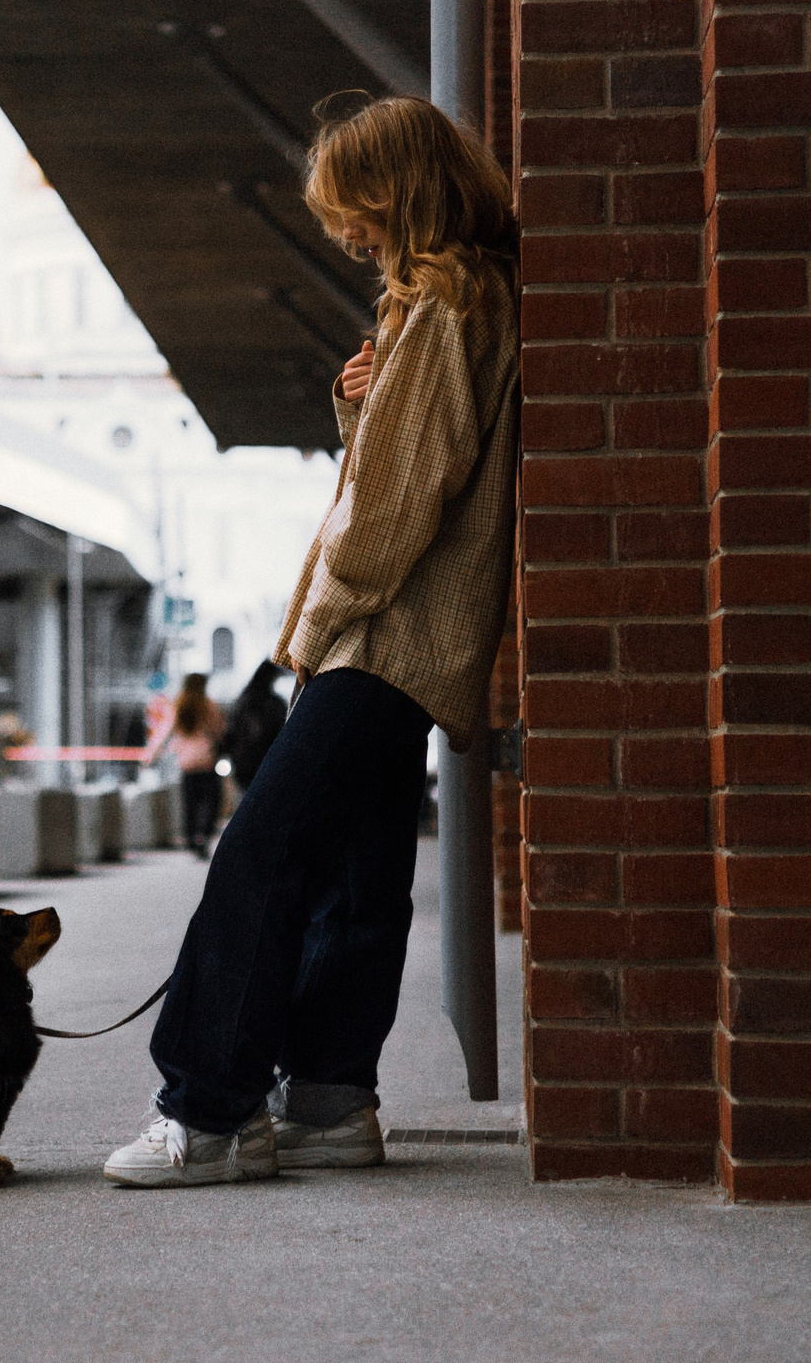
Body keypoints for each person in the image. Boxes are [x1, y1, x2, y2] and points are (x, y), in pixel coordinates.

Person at [103, 94, 518, 1187]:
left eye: (352, 210)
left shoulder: (442, 309)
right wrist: (358, 413)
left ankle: (205, 1113)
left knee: (259, 854)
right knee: (355, 869)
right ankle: (330, 1099)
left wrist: (316, 624)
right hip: (413, 644)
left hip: (380, 638)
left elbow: (391, 511)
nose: (343, 235)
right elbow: (406, 466)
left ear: (397, 193)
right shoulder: (456, 307)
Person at [145, 674, 227, 859]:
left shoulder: (178, 706)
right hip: (206, 762)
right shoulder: (208, 705)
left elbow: (164, 733)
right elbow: (220, 730)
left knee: (190, 804)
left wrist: (150, 755)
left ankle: (192, 838)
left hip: (187, 764)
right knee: (211, 802)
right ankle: (203, 834)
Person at [218, 660, 290, 791]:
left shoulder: (242, 701)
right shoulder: (276, 704)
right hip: (267, 761)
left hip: (242, 762)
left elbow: (231, 732)